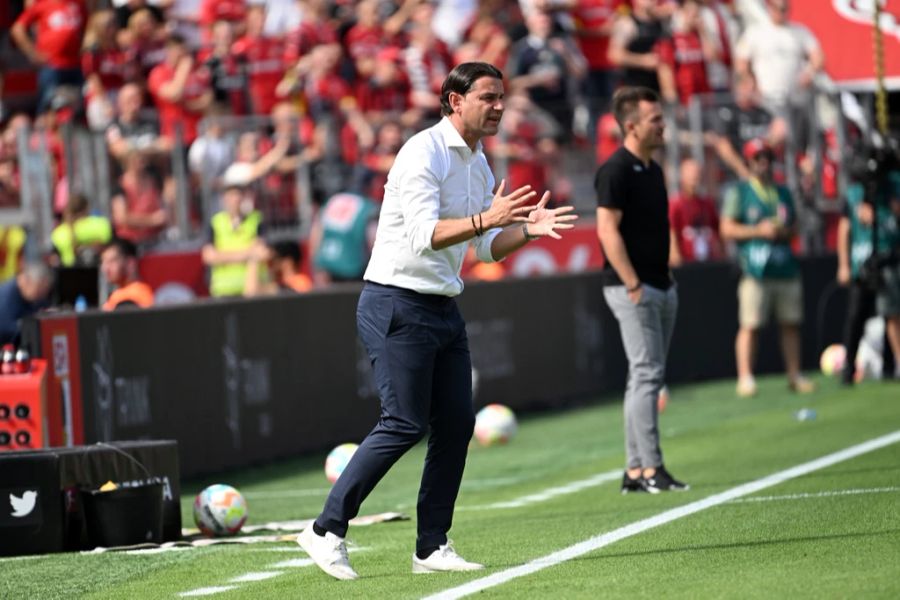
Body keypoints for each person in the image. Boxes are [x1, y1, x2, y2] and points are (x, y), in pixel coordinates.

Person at [297, 62, 577, 580]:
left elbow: (487, 248)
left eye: (501, 97)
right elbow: (425, 234)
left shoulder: (478, 161)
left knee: (455, 424)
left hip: (442, 306)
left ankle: (431, 547)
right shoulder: (420, 153)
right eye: (488, 97)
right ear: (455, 101)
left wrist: (529, 231)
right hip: (395, 302)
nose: (498, 106)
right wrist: (485, 220)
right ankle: (324, 530)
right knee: (403, 421)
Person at [595, 86, 688, 495]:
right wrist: (633, 282)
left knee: (645, 375)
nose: (662, 125)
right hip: (632, 288)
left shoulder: (653, 168)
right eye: (655, 119)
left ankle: (636, 470)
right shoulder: (615, 169)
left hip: (660, 283)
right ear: (631, 126)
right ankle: (651, 467)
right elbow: (606, 230)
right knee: (648, 375)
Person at [719, 138, 815, 397]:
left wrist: (782, 231)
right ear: (749, 162)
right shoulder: (740, 192)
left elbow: (795, 228)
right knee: (750, 324)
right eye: (758, 158)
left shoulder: (783, 192)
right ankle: (745, 376)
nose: (763, 163)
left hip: (784, 266)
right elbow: (726, 229)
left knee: (791, 322)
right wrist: (757, 231)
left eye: (767, 158)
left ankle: (794, 374)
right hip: (755, 269)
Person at [837, 164, 900, 383]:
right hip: (862, 262)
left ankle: (891, 367)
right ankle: (848, 367)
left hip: (890, 258)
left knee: (891, 314)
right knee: (856, 316)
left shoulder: (893, 191)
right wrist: (843, 265)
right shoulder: (854, 194)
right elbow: (844, 229)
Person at [201, 174, 269, 298]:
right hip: (224, 291)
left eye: (239, 194)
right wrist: (246, 254)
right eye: (232, 195)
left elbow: (261, 253)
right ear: (224, 198)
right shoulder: (215, 223)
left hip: (253, 291)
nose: (236, 199)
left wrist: (223, 255)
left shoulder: (257, 220)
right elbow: (209, 256)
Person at [309, 192, 379, 285]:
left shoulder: (331, 201)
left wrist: (316, 265)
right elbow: (373, 240)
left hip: (327, 267)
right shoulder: (367, 207)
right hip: (354, 268)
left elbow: (315, 234)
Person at [668, 158, 723, 266]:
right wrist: (675, 256)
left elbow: (717, 230)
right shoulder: (675, 204)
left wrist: (721, 254)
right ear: (682, 177)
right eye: (691, 175)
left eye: (697, 174)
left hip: (708, 261)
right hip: (686, 263)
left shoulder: (707, 203)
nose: (694, 178)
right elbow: (671, 232)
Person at [51, 194, 113, 267]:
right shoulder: (101, 224)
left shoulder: (58, 233)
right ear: (86, 208)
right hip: (97, 270)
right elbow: (109, 246)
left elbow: (55, 257)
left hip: (69, 273)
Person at [0, 263, 54, 346]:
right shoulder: (6, 297)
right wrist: (33, 327)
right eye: (39, 291)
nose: (41, 296)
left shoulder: (33, 297)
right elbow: (5, 328)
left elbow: (44, 309)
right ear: (27, 281)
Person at [100, 237, 154, 310]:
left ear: (130, 263)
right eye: (104, 262)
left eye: (112, 261)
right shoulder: (118, 294)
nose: (105, 268)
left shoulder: (135, 295)